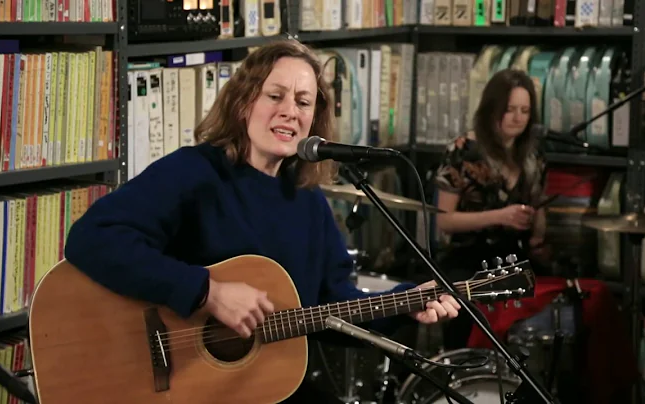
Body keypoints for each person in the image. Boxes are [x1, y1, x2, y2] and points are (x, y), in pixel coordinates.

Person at [63, 39, 461, 404]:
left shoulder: (309, 204)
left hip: (260, 386)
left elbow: (333, 307)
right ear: (243, 103)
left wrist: (405, 303)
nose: (290, 110)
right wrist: (207, 292)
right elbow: (92, 238)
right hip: (183, 387)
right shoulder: (193, 173)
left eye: (304, 103)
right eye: (276, 95)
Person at [431, 68, 549, 349]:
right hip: (468, 260)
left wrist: (537, 227)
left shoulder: (533, 155)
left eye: (525, 110)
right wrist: (501, 216)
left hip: (514, 259)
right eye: (509, 109)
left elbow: (538, 211)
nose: (518, 118)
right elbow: (444, 221)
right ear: (491, 110)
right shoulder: (462, 149)